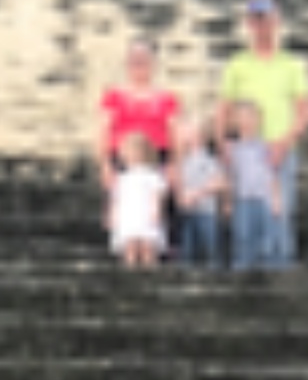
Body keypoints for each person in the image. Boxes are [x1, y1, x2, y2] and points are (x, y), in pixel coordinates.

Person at [216, 0, 308, 270]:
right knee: (244, 214)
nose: (262, 26)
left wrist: (284, 142)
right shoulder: (237, 64)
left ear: (277, 22)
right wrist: (223, 144)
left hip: (277, 151)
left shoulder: (291, 65)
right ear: (248, 24)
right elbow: (224, 108)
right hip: (246, 152)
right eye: (256, 20)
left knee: (278, 215)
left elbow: (305, 112)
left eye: (267, 20)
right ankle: (244, 274)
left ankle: (279, 273)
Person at [98, 38, 180, 253]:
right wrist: (106, 163)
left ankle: (158, 253)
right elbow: (104, 129)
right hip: (124, 159)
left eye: (143, 61)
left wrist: (173, 163)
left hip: (157, 158)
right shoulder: (114, 96)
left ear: (153, 64)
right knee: (127, 209)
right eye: (133, 61)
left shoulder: (166, 98)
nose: (138, 66)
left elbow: (173, 132)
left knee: (157, 208)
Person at [226, 102, 284, 272]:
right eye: (242, 117)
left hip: (264, 198)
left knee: (267, 240)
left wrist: (276, 198)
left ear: (259, 120)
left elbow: (272, 175)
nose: (246, 122)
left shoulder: (266, 146)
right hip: (242, 199)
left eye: (250, 117)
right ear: (235, 121)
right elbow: (230, 177)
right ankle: (241, 272)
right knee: (242, 237)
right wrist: (228, 202)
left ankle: (268, 274)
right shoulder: (231, 148)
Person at [172, 117, 226, 269]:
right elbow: (178, 185)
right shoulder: (182, 160)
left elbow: (219, 183)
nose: (184, 136)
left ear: (200, 136)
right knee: (187, 249)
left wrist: (196, 194)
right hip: (187, 212)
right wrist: (181, 198)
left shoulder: (209, 159)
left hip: (206, 211)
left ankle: (216, 275)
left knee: (212, 247)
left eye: (188, 133)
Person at [108, 131, 167, 269]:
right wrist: (113, 215)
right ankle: (130, 274)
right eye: (130, 152)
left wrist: (156, 210)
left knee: (148, 246)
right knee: (130, 246)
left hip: (146, 214)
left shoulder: (152, 175)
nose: (134, 156)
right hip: (128, 215)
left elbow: (157, 194)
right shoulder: (122, 178)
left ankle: (151, 272)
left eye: (137, 152)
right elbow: (116, 198)